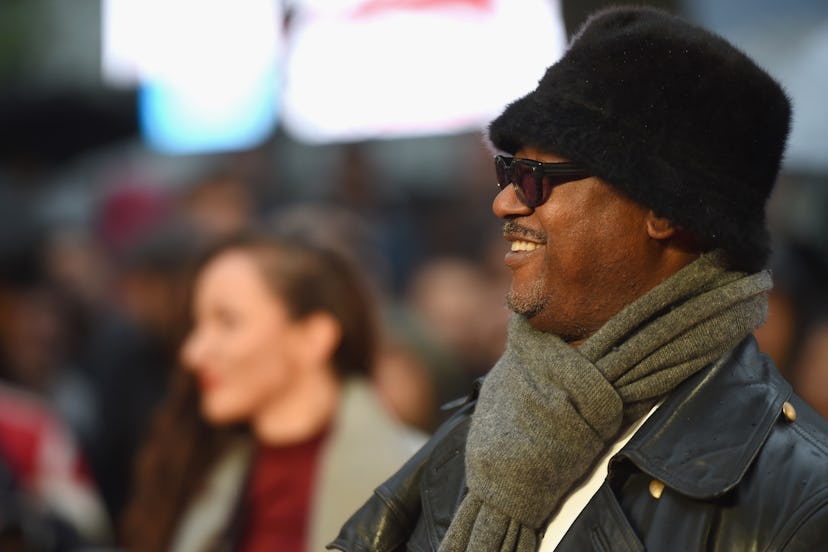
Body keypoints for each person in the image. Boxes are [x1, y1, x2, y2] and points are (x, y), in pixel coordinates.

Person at [332, 6, 828, 552]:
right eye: (507, 173)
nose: (503, 203)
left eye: (533, 179)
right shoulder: (491, 421)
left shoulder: (799, 500)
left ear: (662, 208)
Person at [121, 229, 424, 551]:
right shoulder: (192, 474)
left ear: (313, 337)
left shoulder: (421, 480)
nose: (193, 352)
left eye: (227, 322)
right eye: (196, 325)